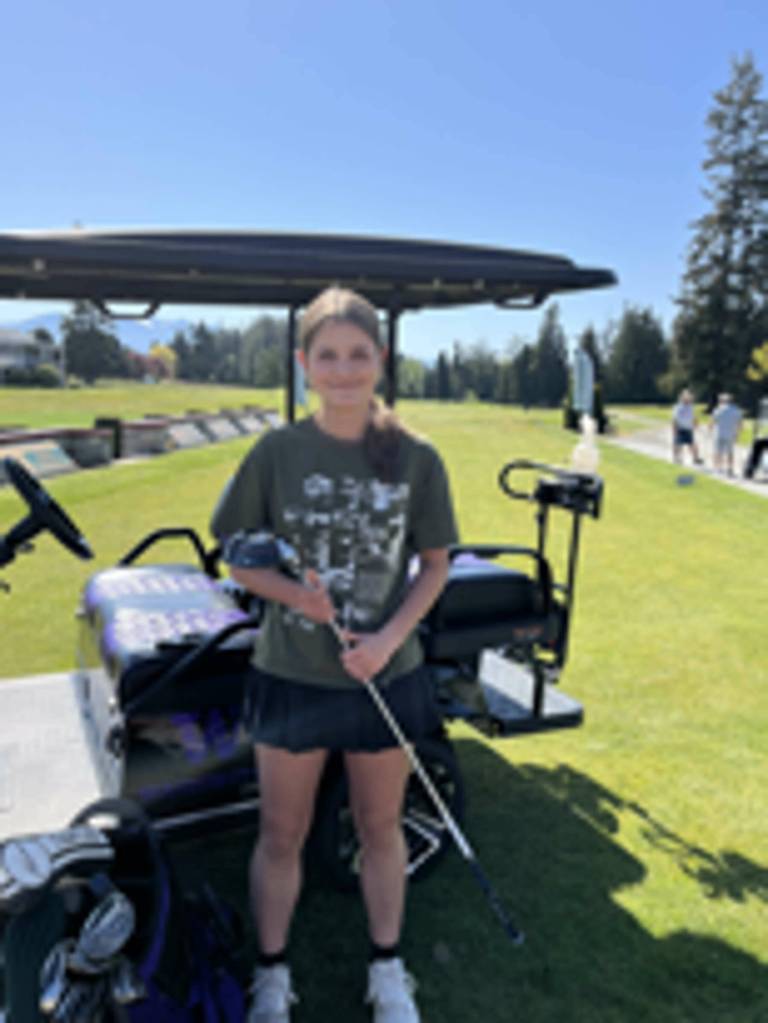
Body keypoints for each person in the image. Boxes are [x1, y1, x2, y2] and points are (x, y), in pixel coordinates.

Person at [210, 286, 458, 1023]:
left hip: (386, 677)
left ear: (379, 359)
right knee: (281, 833)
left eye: (357, 355)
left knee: (380, 828)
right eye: (328, 356)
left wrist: (385, 641)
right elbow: (236, 555)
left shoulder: (418, 458)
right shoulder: (276, 452)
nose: (343, 370)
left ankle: (388, 968)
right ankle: (271, 975)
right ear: (304, 364)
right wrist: (295, 595)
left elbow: (435, 565)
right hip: (292, 676)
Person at [710, 392, 743, 476]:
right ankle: (730, 469)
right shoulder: (737, 410)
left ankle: (718, 468)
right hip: (730, 434)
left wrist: (710, 430)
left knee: (718, 451)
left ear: (722, 401)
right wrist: (737, 434)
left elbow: (712, 422)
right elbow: (740, 425)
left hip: (719, 433)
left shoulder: (718, 410)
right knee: (730, 452)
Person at [671, 389, 702, 465]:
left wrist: (696, 423)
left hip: (688, 429)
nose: (688, 399)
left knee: (692, 444)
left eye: (689, 397)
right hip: (680, 428)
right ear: (682, 398)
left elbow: (693, 417)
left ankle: (696, 458)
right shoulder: (678, 407)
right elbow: (674, 419)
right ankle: (676, 458)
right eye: (686, 397)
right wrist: (674, 429)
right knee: (678, 444)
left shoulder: (690, 407)